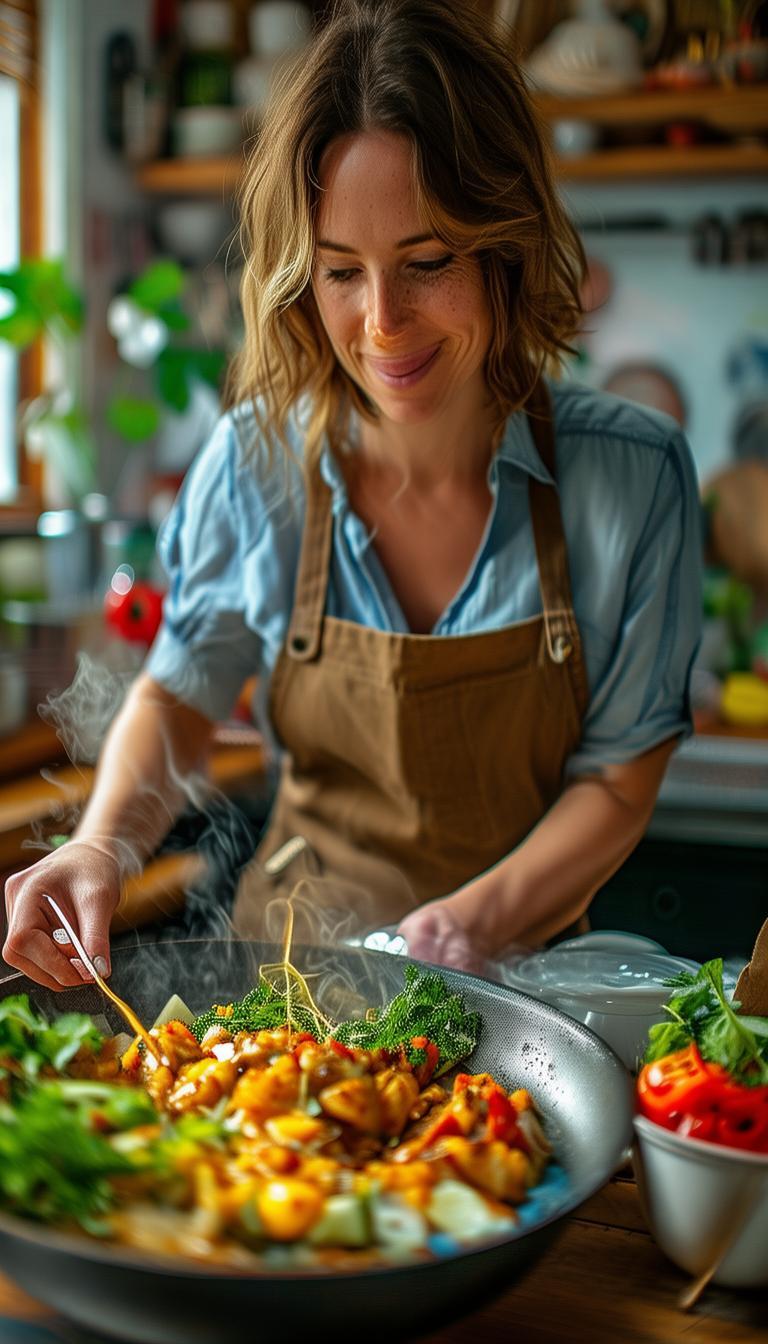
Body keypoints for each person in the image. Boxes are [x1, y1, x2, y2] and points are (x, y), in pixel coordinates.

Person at [3, 0, 702, 991]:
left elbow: (619, 781)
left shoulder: (634, 479)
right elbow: (180, 692)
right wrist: (102, 845)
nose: (382, 325)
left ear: (506, 245)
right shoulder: (255, 463)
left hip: (529, 1003)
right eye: (340, 272)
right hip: (289, 989)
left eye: (426, 264)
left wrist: (464, 933)